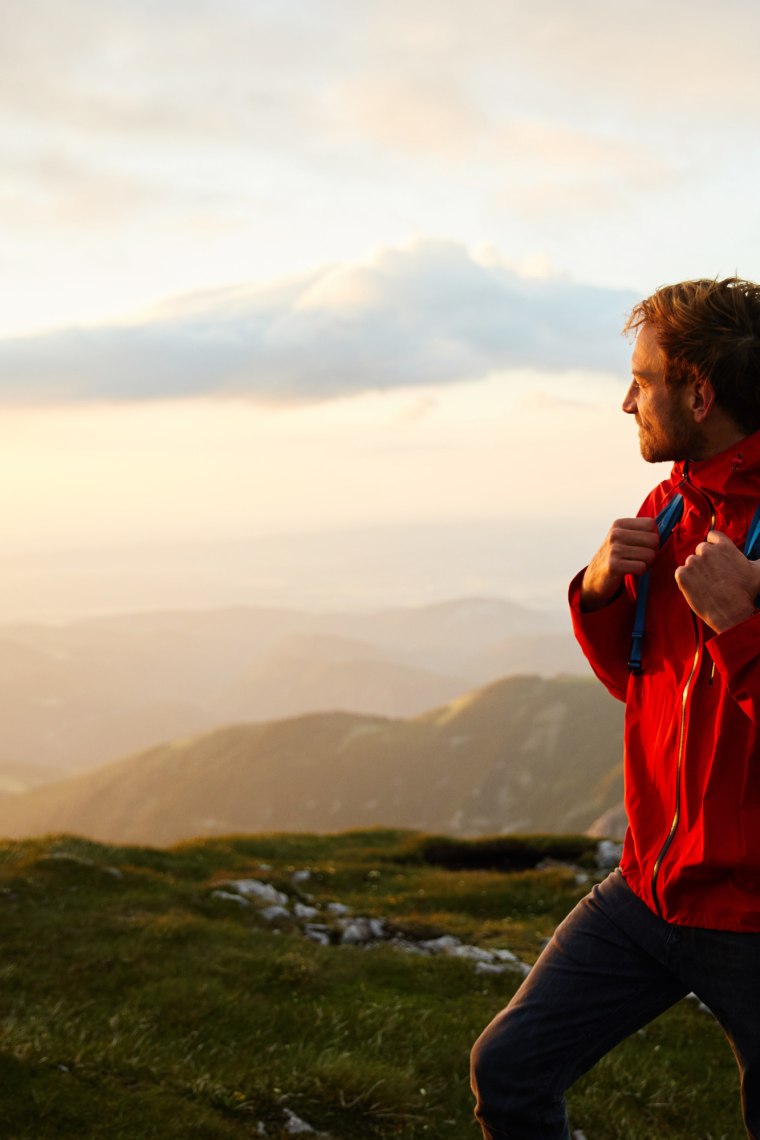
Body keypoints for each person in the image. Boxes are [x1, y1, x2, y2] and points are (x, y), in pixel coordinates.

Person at [470, 277, 760, 1139]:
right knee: (510, 1069)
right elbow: (643, 683)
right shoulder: (672, 505)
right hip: (651, 890)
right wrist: (600, 590)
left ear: (699, 394)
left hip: (752, 914)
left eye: (643, 379)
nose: (625, 400)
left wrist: (743, 626)